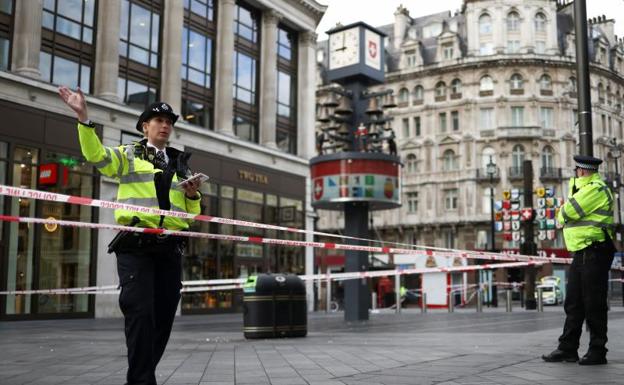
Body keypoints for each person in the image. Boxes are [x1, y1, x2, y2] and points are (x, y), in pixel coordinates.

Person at [58, 86, 203, 384]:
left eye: (169, 122)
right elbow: (96, 155)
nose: (165, 125)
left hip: (171, 247)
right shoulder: (127, 155)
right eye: (158, 120)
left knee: (163, 318)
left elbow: (192, 215)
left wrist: (192, 195)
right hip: (136, 245)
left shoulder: (180, 162)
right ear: (144, 126)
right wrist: (84, 118)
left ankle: (140, 376)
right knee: (139, 312)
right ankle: (141, 381)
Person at [542, 155, 616, 365]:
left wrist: (562, 212)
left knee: (594, 304)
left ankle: (597, 350)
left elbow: (566, 212)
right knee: (573, 302)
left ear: (581, 171)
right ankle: (567, 348)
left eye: (576, 171)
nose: (575, 173)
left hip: (594, 250)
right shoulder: (584, 189)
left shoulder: (595, 189)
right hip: (582, 252)